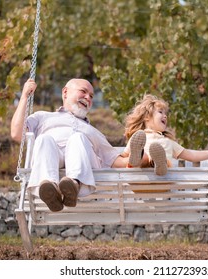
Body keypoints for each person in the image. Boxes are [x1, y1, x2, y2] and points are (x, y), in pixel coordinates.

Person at [11, 78, 129, 212]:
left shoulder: (93, 132)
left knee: (77, 138)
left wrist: (145, 158)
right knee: (44, 139)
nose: (88, 98)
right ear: (65, 92)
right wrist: (25, 96)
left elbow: (116, 161)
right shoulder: (42, 117)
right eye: (83, 92)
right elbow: (17, 133)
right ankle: (50, 189)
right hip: (52, 158)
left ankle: (73, 185)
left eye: (91, 96)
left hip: (82, 164)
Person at [122, 94, 208, 176]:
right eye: (160, 112)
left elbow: (192, 155)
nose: (165, 116)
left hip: (162, 182)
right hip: (139, 182)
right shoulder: (137, 139)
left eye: (165, 114)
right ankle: (141, 161)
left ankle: (159, 164)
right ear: (147, 117)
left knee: (161, 159)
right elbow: (121, 158)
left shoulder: (168, 142)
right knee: (143, 156)